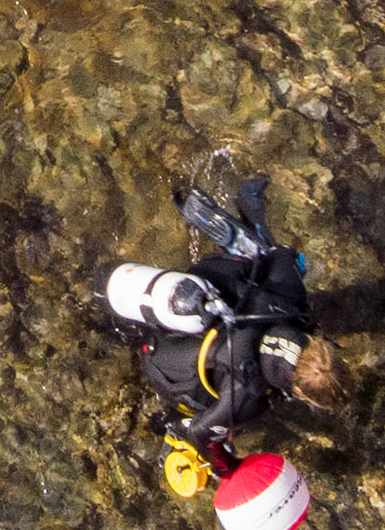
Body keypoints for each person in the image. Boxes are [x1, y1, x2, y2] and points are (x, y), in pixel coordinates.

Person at [105, 176, 321, 489]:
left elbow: (285, 258)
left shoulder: (292, 303)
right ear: (299, 389)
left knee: (279, 263)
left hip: (210, 280)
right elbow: (199, 433)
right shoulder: (246, 397)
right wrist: (228, 468)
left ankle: (246, 243)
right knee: (221, 421)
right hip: (162, 357)